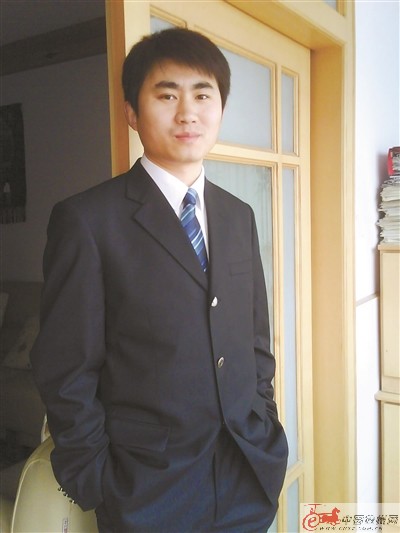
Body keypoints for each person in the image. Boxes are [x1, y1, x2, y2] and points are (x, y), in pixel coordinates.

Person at [30, 28, 288, 533]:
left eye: (203, 95)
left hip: (245, 475)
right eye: (167, 95)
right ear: (132, 112)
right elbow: (65, 367)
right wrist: (97, 480)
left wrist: (265, 425)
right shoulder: (88, 220)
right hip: (146, 492)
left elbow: (254, 340)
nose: (187, 113)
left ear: (220, 107)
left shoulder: (238, 215)